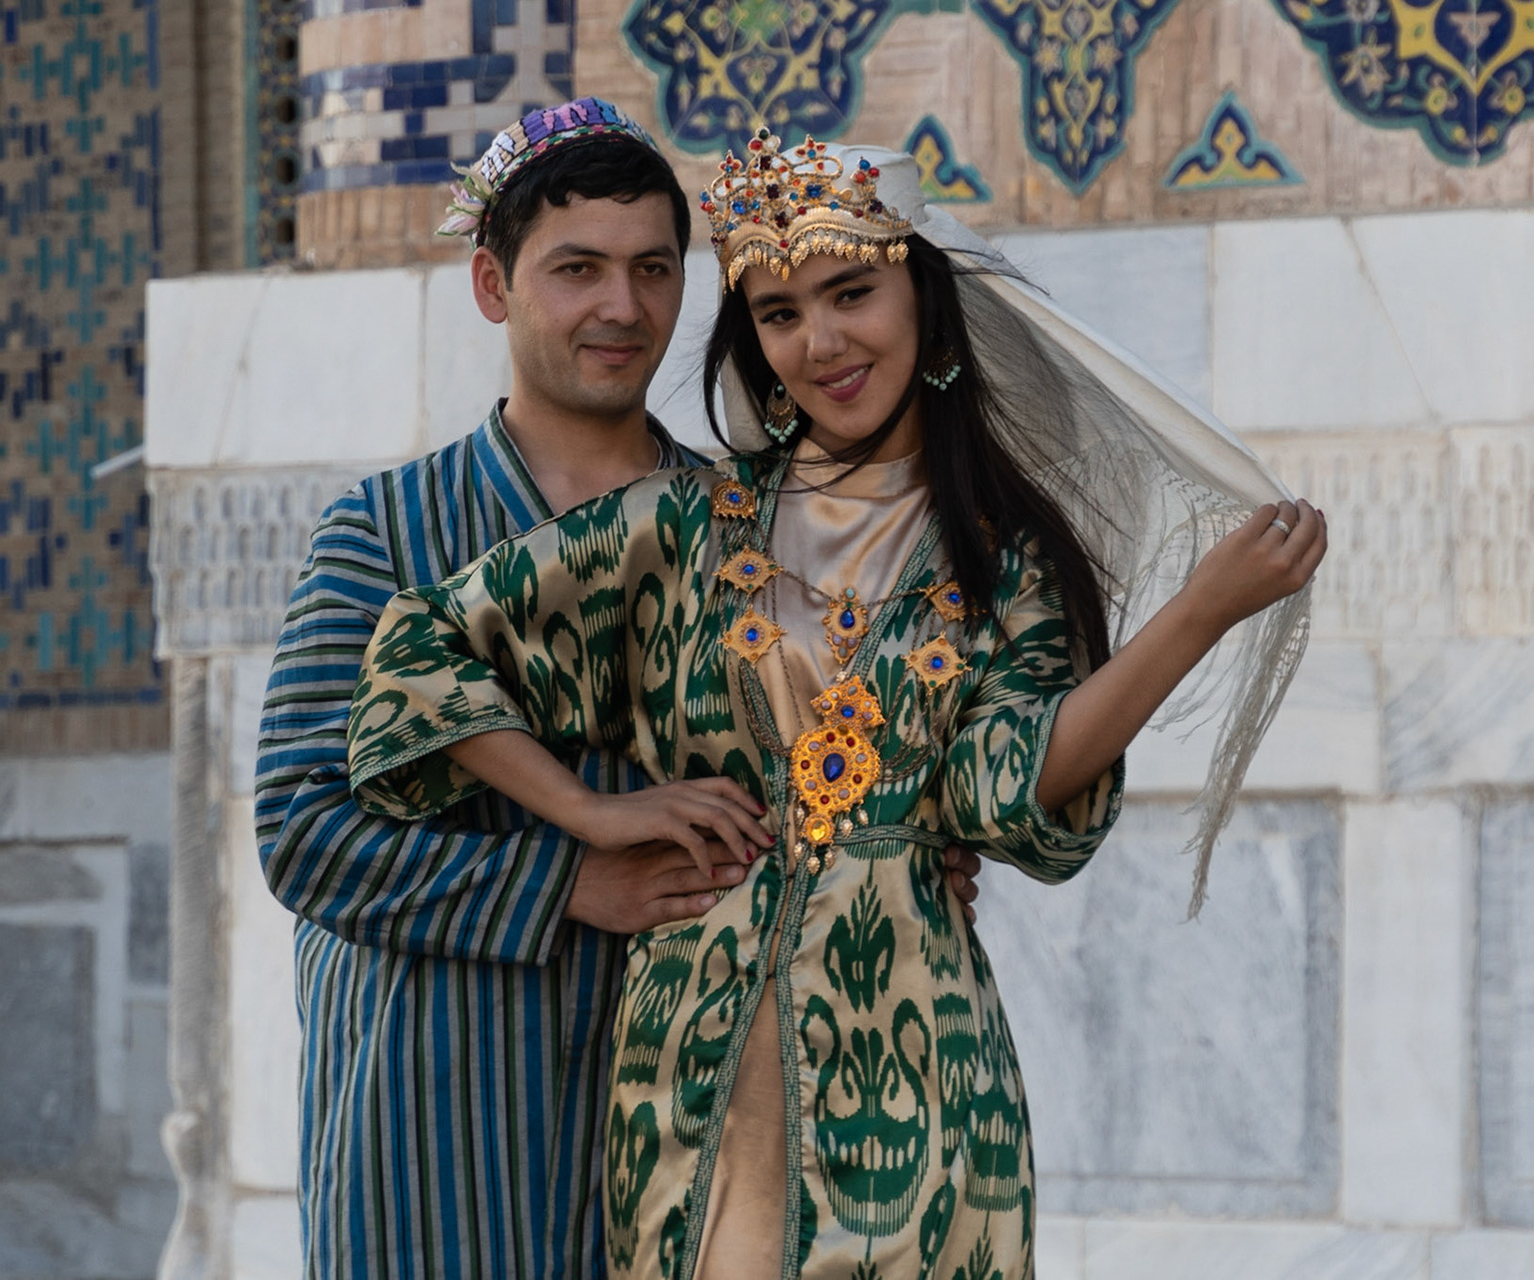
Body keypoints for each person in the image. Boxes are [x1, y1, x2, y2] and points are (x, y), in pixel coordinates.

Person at [344, 134, 1326, 1277]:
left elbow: (1004, 791)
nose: (820, 343)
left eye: (850, 290)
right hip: (691, 1063)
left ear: (921, 291)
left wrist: (1199, 613)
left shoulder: (1003, 564)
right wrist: (595, 814)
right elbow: (419, 644)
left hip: (921, 1073)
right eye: (776, 312)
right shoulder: (683, 525)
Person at [255, 101, 987, 1279]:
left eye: (654, 268)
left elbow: (830, 773)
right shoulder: (383, 533)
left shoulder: (763, 528)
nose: (622, 307)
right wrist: (573, 877)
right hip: (436, 1125)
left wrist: (906, 845)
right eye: (577, 270)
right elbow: (302, 833)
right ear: (493, 285)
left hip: (684, 1123)